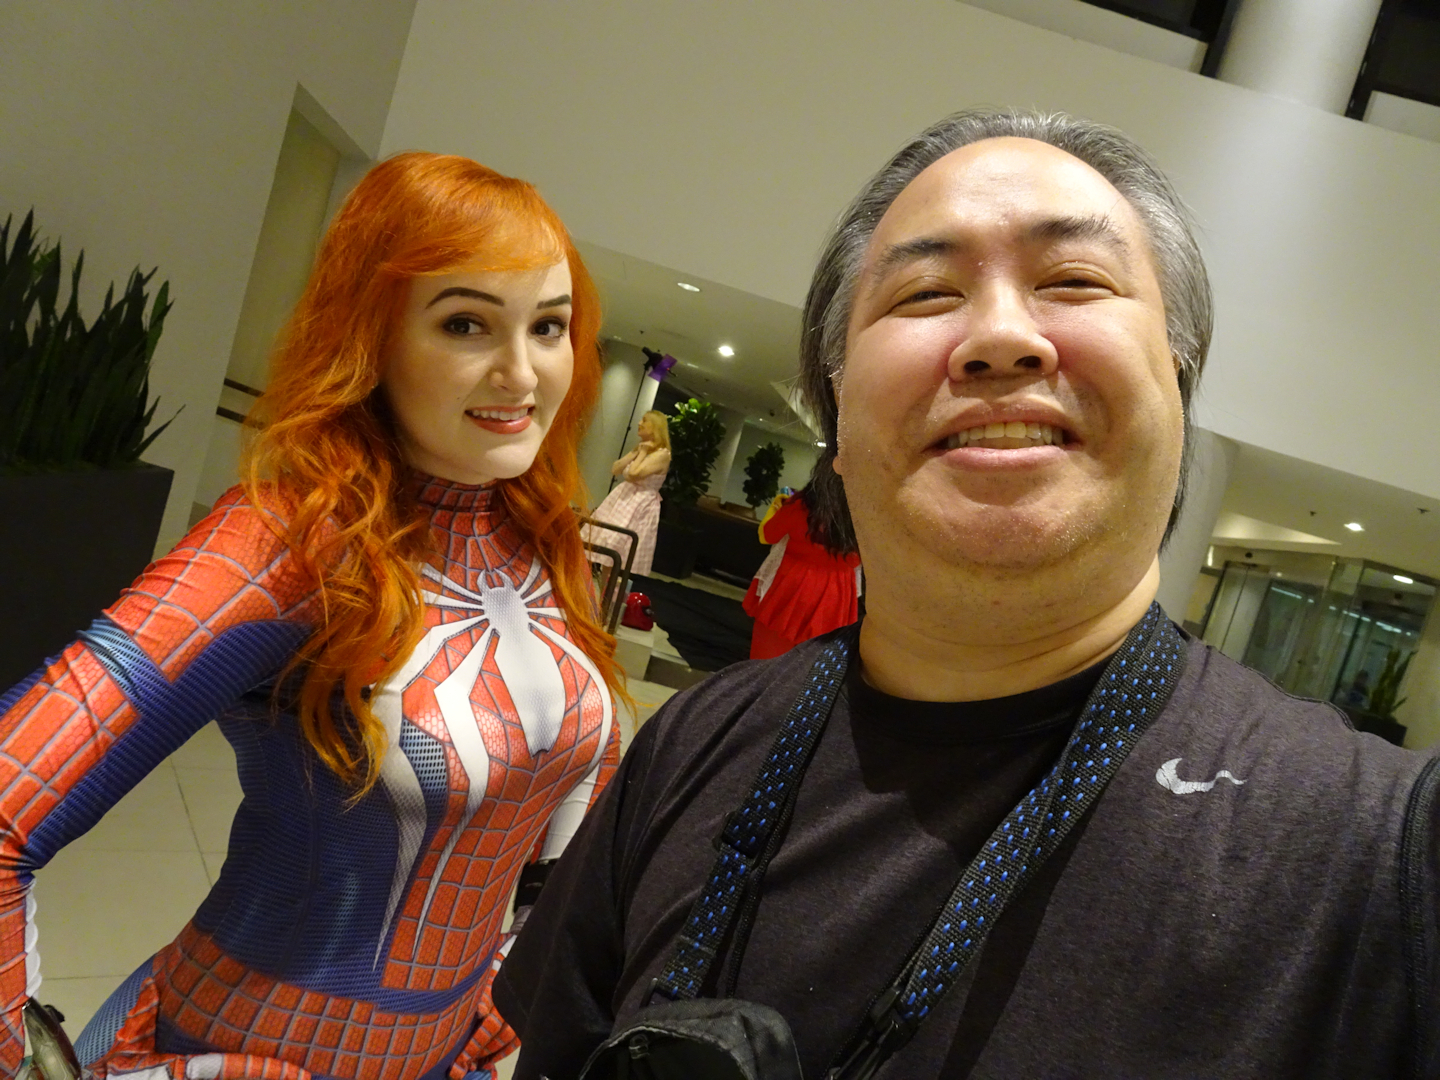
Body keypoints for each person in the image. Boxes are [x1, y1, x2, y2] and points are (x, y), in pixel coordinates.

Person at [493, 109, 1440, 1079]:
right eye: (927, 293)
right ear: (837, 416)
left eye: (1074, 281)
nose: (999, 337)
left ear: (1178, 375)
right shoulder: (696, 743)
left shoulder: (1381, 859)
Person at [0, 153, 624, 1080]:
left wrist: (511, 987)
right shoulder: (287, 545)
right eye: (466, 323)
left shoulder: (546, 543)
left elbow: (566, 813)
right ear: (373, 334)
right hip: (237, 1047)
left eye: (549, 326)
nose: (521, 371)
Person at [742, 480, 861, 659]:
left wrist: (778, 507)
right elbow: (860, 560)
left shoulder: (799, 506)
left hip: (791, 583)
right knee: (811, 660)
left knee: (768, 655)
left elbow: (769, 534)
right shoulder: (864, 518)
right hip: (836, 593)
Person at [582, 410, 670, 577]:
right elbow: (615, 469)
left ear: (654, 427)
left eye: (644, 421)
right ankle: (596, 587)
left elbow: (634, 474)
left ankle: (610, 591)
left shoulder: (662, 454)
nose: (639, 423)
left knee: (619, 548)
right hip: (622, 499)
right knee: (602, 542)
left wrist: (642, 453)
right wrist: (636, 452)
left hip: (639, 503)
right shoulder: (641, 447)